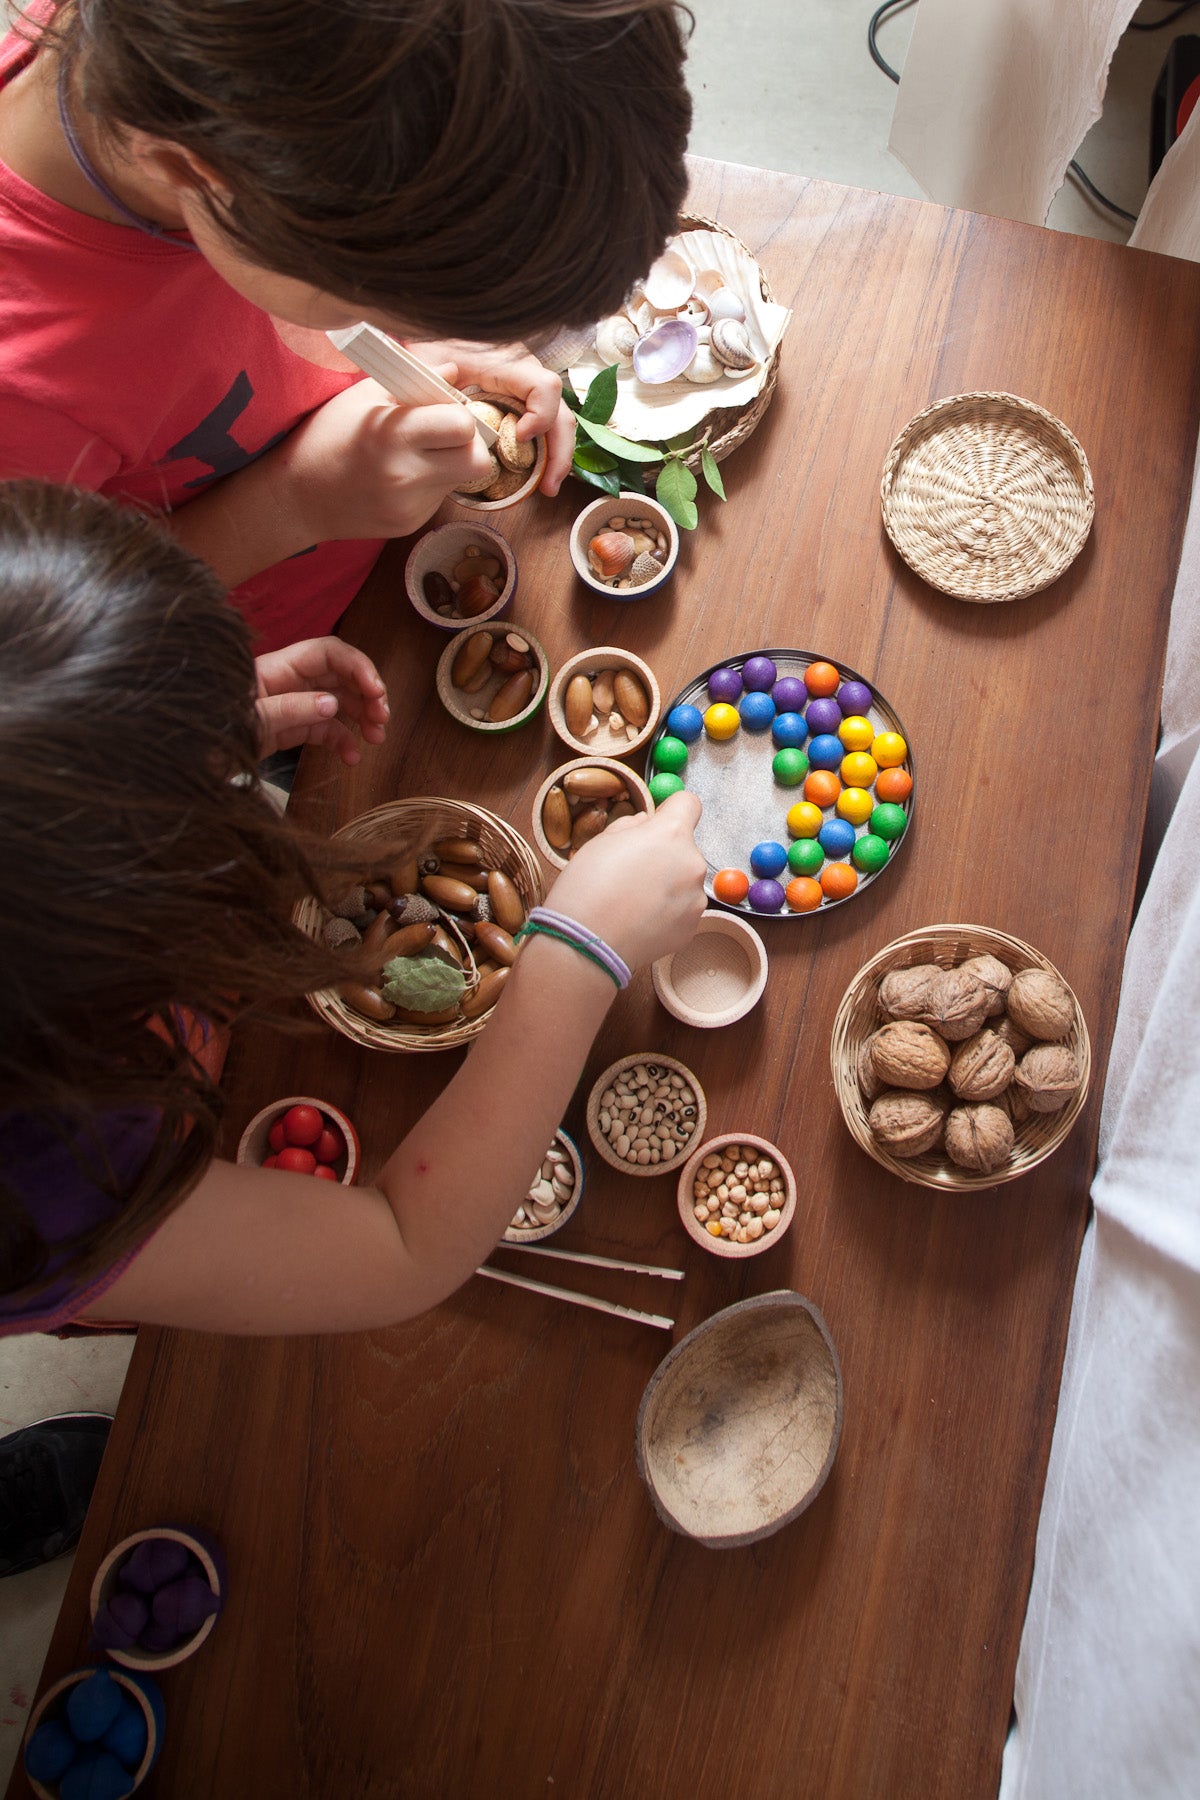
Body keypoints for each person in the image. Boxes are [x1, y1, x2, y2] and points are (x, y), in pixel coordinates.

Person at [0, 480, 709, 1336]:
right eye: (204, 800)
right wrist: (577, 952)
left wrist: (185, 729)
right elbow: (402, 1250)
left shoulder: (57, 887)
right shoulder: (47, 1183)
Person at [0, 0, 692, 654]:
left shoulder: (197, 80)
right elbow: (45, 658)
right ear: (190, 173)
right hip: (257, 653)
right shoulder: (25, 391)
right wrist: (292, 503)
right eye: (376, 310)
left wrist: (422, 342)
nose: (393, 326)